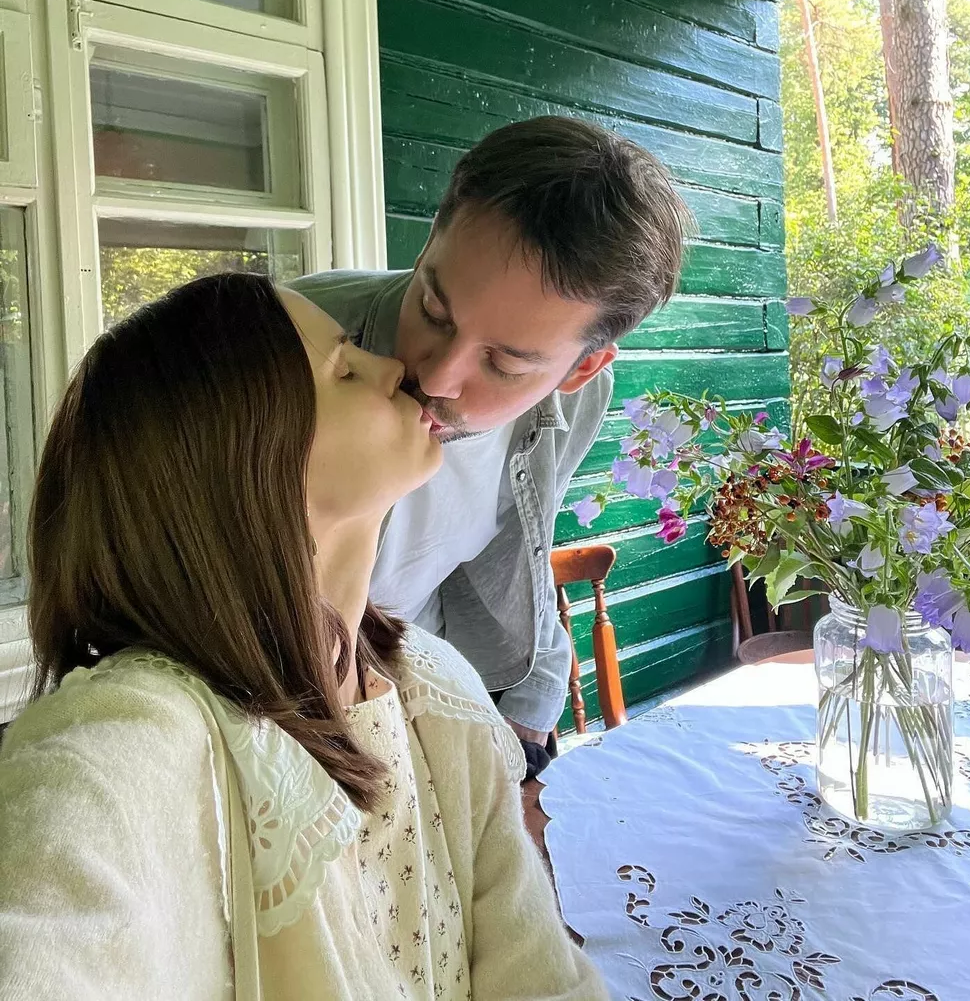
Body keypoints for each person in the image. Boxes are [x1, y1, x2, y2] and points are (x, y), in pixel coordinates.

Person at [0, 273, 608, 1001]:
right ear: (240, 459)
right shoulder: (135, 737)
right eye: (344, 368)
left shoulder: (438, 691)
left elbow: (540, 976)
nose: (395, 369)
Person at [292, 116, 688, 774]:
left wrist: (527, 705)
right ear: (430, 241)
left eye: (503, 363)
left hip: (449, 693)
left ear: (579, 370)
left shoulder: (580, 397)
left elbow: (519, 542)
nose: (435, 378)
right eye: (433, 311)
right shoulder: (289, 348)